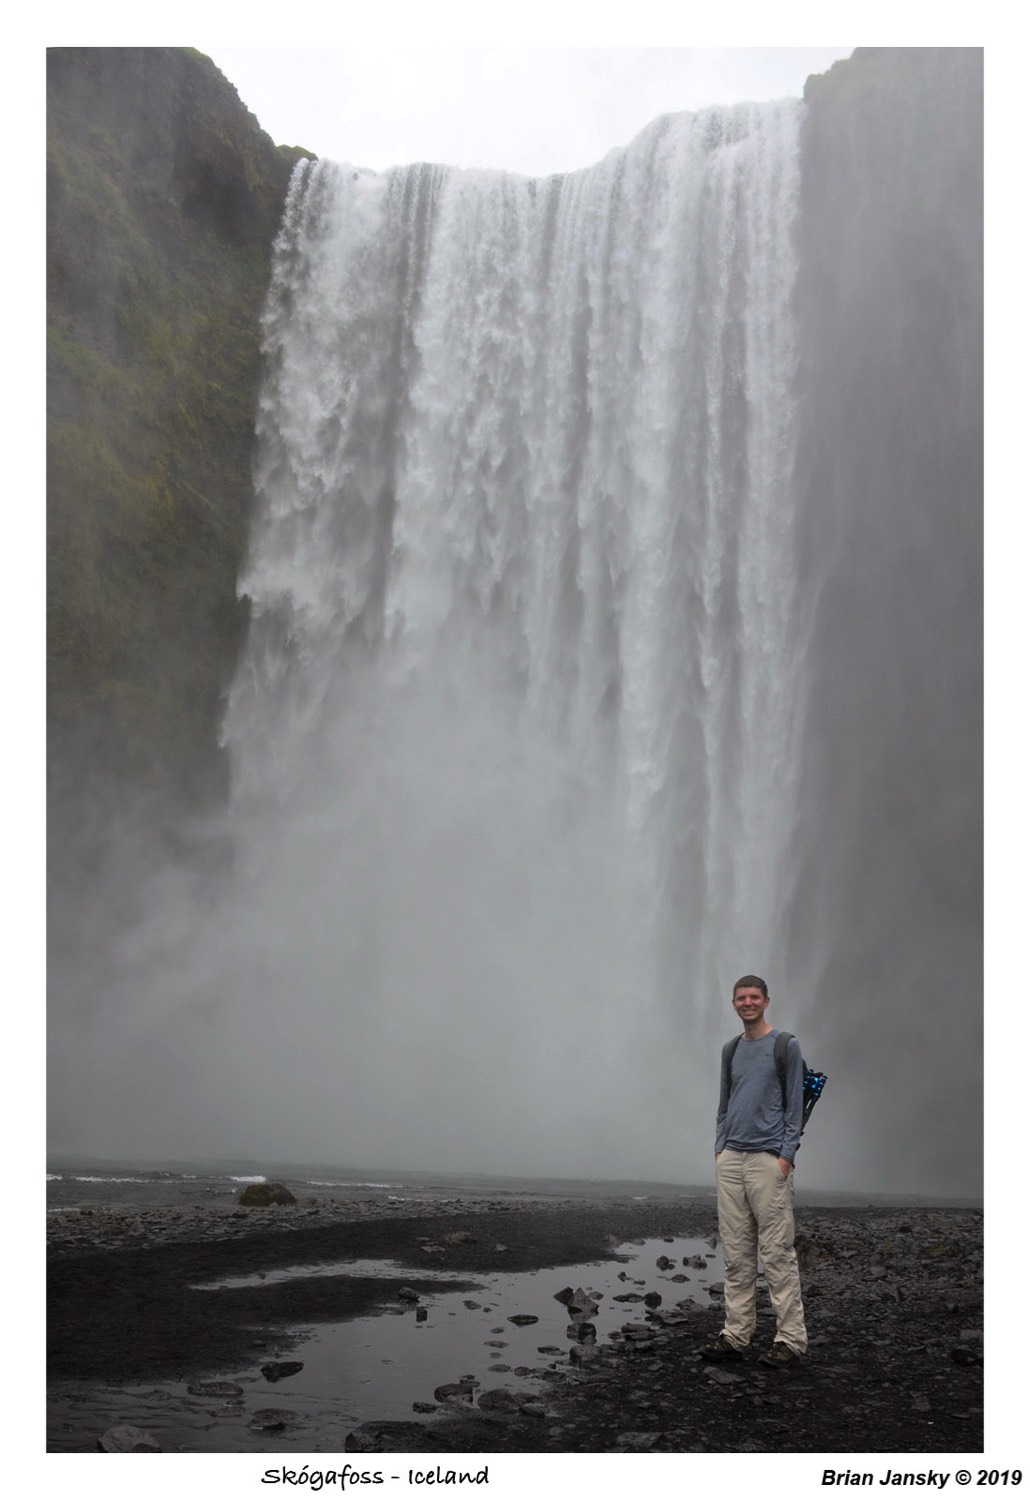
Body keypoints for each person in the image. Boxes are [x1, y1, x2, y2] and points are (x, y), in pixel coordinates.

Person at [699, 973, 808, 1367]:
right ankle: (736, 1333)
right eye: (741, 997)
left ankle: (791, 1340)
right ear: (733, 1003)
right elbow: (724, 1103)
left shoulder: (785, 1046)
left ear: (766, 1001)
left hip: (767, 1160)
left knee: (777, 1251)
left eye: (754, 997)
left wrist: (785, 1156)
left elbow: (795, 1105)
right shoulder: (730, 1050)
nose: (747, 1003)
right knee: (737, 1252)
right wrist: (719, 1148)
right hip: (731, 1160)